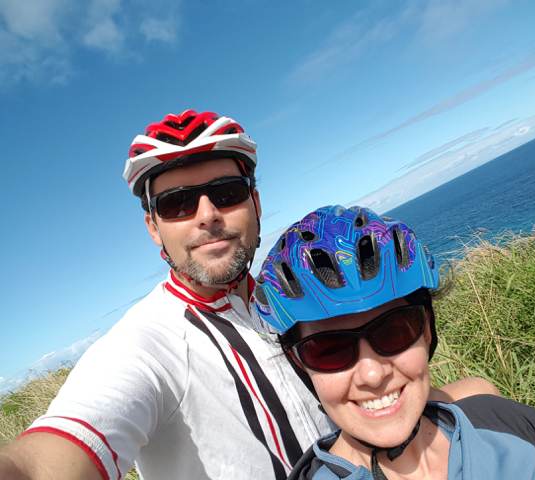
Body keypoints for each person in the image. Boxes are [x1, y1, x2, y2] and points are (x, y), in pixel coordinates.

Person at [0, 110, 498, 480]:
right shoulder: (143, 347)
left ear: (255, 203)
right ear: (154, 228)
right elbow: (44, 459)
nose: (206, 214)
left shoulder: (292, 303)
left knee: (479, 393)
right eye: (176, 203)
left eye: (226, 192)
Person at [253, 204, 535, 480]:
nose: (372, 373)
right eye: (330, 350)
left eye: (394, 330)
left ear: (427, 330)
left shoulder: (503, 425)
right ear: (299, 363)